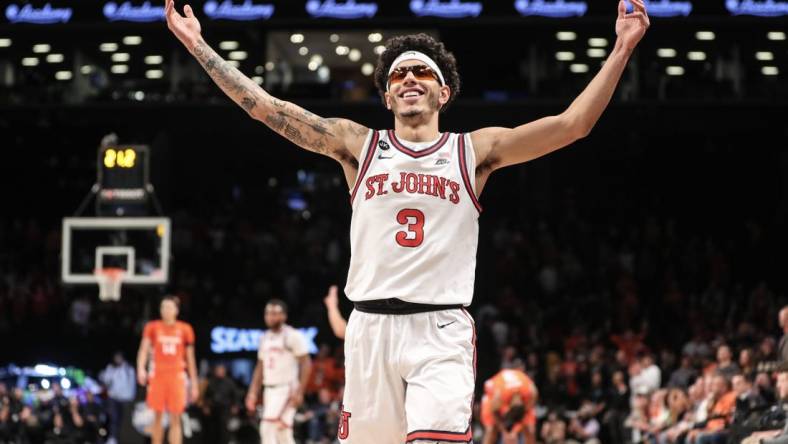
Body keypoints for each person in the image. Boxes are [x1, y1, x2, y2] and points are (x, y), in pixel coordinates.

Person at [164, 0, 649, 440]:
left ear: (443, 92)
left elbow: (572, 125)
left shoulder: (473, 150)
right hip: (369, 329)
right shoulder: (358, 145)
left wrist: (622, 48)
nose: (409, 79)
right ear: (388, 97)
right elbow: (267, 110)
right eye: (397, 76)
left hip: (439, 328)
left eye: (420, 72)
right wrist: (199, 45)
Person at [245, 299, 312, 444]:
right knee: (283, 433)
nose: (270, 316)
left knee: (267, 427)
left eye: (275, 313)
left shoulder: (292, 335)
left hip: (286, 389)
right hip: (269, 390)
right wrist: (252, 392)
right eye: (268, 313)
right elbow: (260, 367)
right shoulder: (264, 338)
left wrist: (300, 391)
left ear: (284, 316)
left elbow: (306, 363)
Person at [136, 295, 198, 444]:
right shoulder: (152, 327)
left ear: (176, 310)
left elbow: (190, 359)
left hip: (177, 376)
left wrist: (194, 384)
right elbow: (143, 350)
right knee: (157, 416)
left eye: (169, 307)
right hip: (157, 376)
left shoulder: (185, 329)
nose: (166, 310)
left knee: (175, 417)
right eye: (163, 307)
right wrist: (140, 368)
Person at [481, 359, 539, 444]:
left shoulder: (530, 393)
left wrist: (514, 431)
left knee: (530, 429)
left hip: (514, 393)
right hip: (491, 397)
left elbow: (529, 407)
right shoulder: (499, 396)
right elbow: (494, 412)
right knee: (491, 430)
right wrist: (504, 432)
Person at [100, 351, 136, 444]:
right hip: (113, 397)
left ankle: (124, 438)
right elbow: (105, 381)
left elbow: (132, 385)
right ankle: (113, 438)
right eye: (116, 357)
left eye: (119, 357)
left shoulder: (129, 369)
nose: (117, 359)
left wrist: (131, 397)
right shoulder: (111, 369)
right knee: (114, 418)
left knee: (125, 420)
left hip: (126, 399)